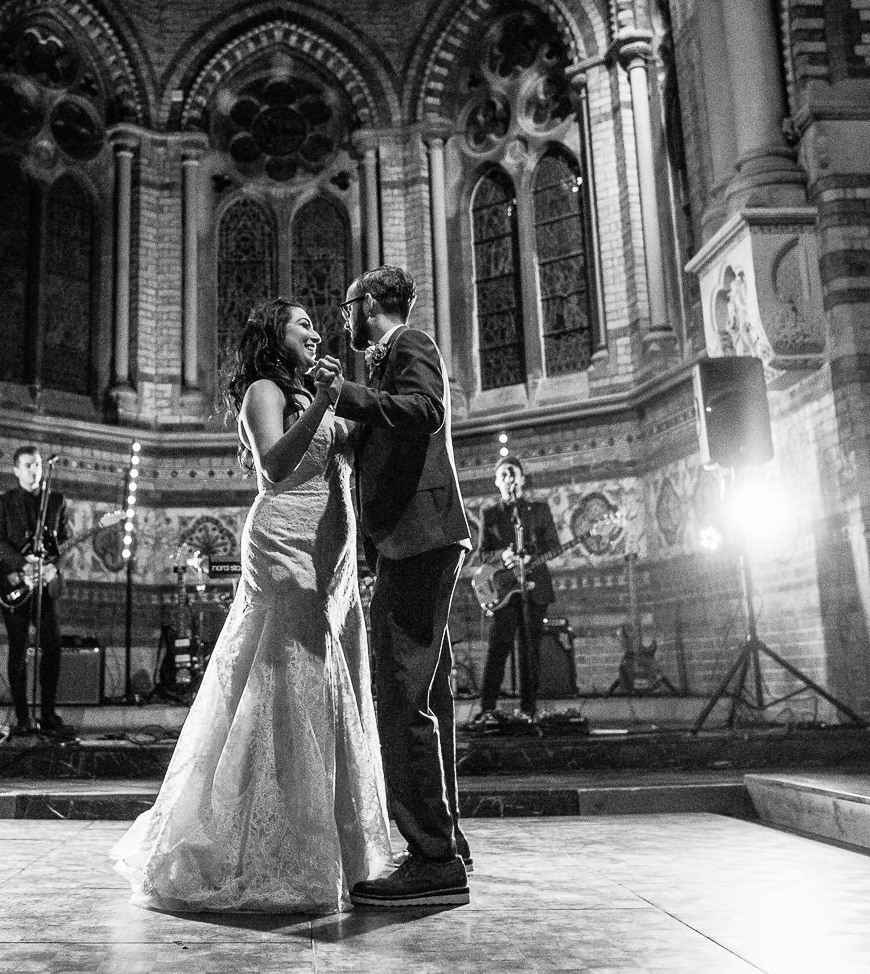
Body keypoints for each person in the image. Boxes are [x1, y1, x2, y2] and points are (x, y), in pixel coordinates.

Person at [110, 300, 389, 912]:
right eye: (302, 325)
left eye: (317, 324)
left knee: (328, 678)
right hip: (284, 539)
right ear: (274, 337)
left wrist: (364, 385)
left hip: (331, 551)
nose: (315, 332)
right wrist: (322, 401)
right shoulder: (264, 390)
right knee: (291, 676)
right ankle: (271, 848)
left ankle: (334, 850)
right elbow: (275, 463)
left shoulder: (314, 391)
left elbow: (358, 447)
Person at [329, 266, 473, 908]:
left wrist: (350, 397)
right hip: (413, 540)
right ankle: (447, 838)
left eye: (346, 308)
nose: (342, 319)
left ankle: (430, 858)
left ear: (367, 307)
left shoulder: (410, 346)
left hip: (421, 538)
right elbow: (382, 433)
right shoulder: (382, 366)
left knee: (398, 692)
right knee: (428, 694)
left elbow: (425, 412)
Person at [0, 444, 71, 737]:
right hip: (16, 581)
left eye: (37, 464)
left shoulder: (57, 501)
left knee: (53, 644)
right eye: (27, 465)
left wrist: (54, 566)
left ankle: (48, 712)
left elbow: (64, 540)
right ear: (16, 470)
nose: (34, 470)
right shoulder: (6, 502)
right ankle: (23, 716)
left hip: (44, 585)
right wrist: (21, 563)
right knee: (19, 645)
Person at [474, 456, 560, 728]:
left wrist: (528, 556)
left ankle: (529, 709)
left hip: (534, 590)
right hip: (504, 592)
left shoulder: (539, 510)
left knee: (530, 650)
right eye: (503, 475)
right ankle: (487, 708)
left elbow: (553, 545)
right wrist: (505, 556)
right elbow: (483, 554)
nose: (509, 479)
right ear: (497, 482)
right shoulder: (490, 514)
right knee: (498, 649)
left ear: (522, 479)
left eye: (513, 474)